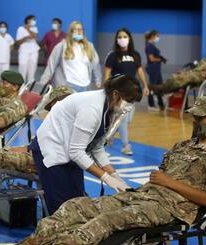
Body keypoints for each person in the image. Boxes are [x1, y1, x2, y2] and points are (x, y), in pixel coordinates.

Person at [0, 95, 206, 245]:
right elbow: (159, 177)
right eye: (194, 117)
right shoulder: (182, 146)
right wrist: (135, 186)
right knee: (77, 206)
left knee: (107, 221)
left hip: (172, 208)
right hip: (145, 196)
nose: (195, 121)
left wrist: (167, 182)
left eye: (201, 117)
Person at [31, 75, 141, 214]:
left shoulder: (110, 108)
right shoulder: (92, 108)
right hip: (52, 150)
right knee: (63, 211)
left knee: (77, 203)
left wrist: (114, 175)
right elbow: (76, 152)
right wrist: (106, 178)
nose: (130, 106)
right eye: (129, 101)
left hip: (70, 151)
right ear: (115, 94)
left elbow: (97, 147)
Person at [104, 28, 150, 155]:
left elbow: (140, 71)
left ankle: (110, 135)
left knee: (126, 119)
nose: (122, 39)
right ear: (116, 40)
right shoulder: (113, 55)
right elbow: (107, 72)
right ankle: (126, 145)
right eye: (120, 37)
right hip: (118, 91)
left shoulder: (135, 55)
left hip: (132, 91)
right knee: (123, 119)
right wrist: (106, 87)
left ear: (129, 38)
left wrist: (145, 85)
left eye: (124, 36)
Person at [40, 21, 102, 91]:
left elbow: (96, 65)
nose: (79, 32)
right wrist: (40, 86)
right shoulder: (62, 46)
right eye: (76, 29)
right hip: (68, 85)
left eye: (81, 29)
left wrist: (98, 80)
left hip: (85, 85)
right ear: (71, 32)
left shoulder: (89, 46)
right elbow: (50, 67)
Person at [145, 29, 166, 111]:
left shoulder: (152, 46)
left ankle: (161, 105)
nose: (158, 38)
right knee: (152, 87)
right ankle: (151, 105)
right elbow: (151, 59)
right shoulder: (149, 46)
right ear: (152, 36)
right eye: (157, 36)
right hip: (153, 69)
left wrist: (161, 58)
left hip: (157, 69)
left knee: (159, 87)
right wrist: (160, 59)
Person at [16, 15, 40, 83]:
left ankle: (30, 88)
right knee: (22, 68)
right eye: (33, 19)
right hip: (23, 51)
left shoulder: (35, 28)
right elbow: (18, 42)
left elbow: (35, 36)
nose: (34, 21)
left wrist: (28, 29)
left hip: (33, 50)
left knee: (32, 70)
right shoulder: (20, 29)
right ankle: (21, 87)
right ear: (28, 20)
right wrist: (25, 38)